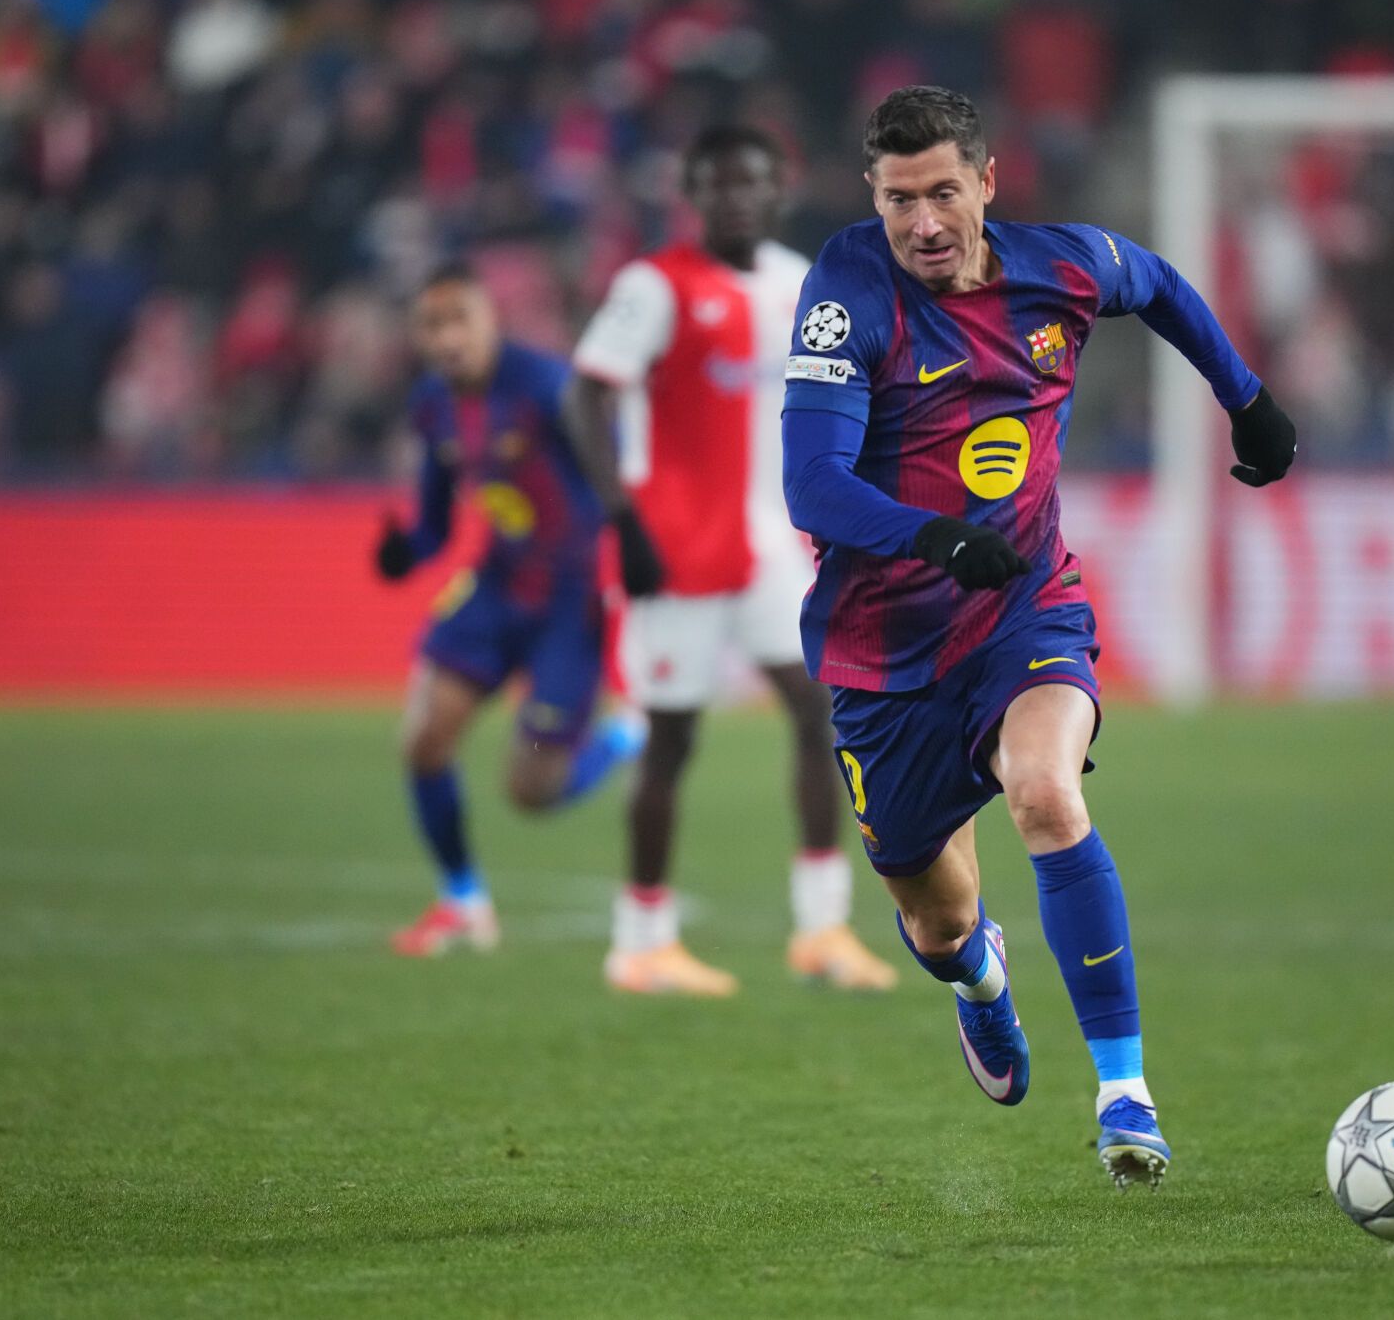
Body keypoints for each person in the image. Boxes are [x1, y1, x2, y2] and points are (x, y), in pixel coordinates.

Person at [779, 86, 1296, 1187]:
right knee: (936, 921)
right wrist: (932, 539)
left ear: (987, 183)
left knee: (1047, 794)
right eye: (896, 198)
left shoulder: (1057, 266)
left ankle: (1124, 1092)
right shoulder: (846, 289)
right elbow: (811, 485)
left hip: (1022, 608)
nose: (921, 222)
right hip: (882, 657)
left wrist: (1244, 397)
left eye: (941, 193)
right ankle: (979, 981)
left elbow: (1152, 282)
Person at [568, 126, 896, 997]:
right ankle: (640, 941)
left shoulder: (801, 283)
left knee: (821, 710)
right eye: (717, 184)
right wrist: (622, 520)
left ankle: (822, 929)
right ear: (692, 193)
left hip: (767, 541)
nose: (736, 198)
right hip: (675, 546)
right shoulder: (654, 286)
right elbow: (586, 393)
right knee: (672, 738)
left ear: (777, 188)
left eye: (751, 182)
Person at [377, 264, 643, 956]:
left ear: (489, 321)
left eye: (458, 320)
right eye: (431, 327)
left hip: (570, 598)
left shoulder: (547, 386)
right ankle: (462, 901)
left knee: (533, 791)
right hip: (497, 582)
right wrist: (406, 550)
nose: (447, 340)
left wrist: (632, 547)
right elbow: (437, 521)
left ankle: (621, 738)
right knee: (424, 738)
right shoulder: (433, 404)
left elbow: (614, 471)